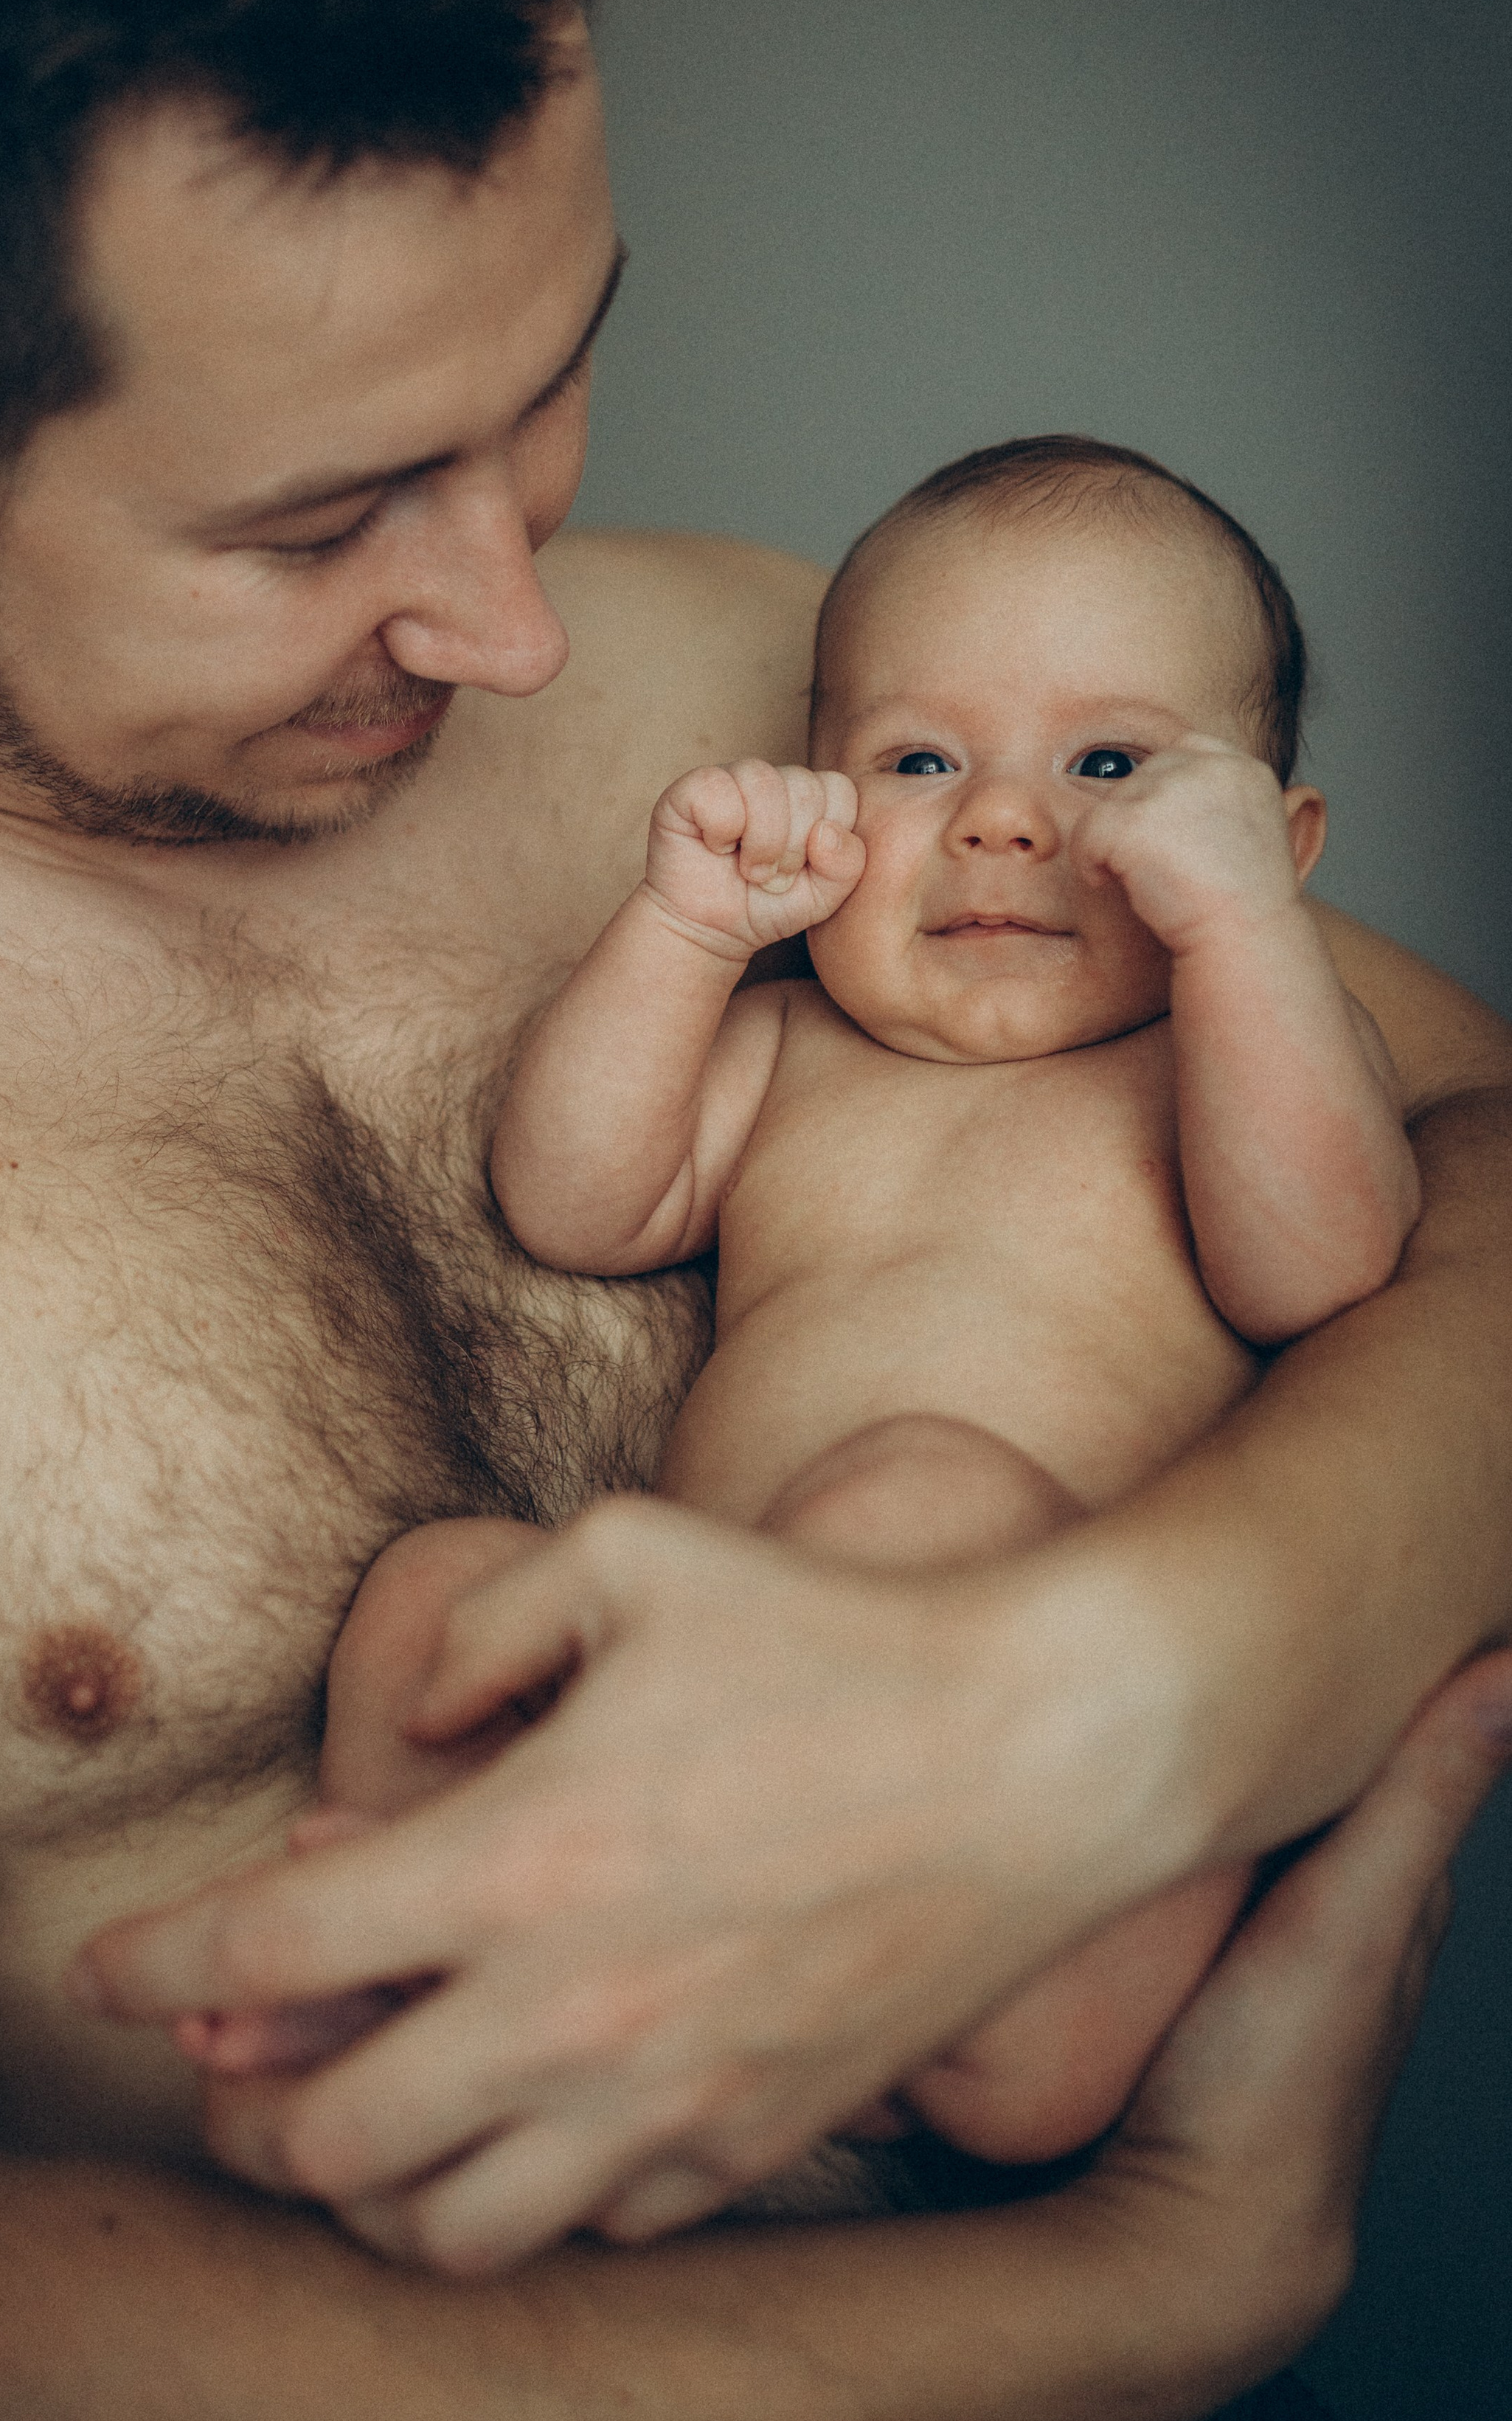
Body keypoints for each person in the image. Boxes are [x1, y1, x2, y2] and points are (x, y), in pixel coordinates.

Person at [0, 0, 1511, 2421]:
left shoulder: (799, 685)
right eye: (322, 522)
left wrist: (1133, 1696)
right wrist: (1137, 2296)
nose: (518, 628)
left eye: (550, 380)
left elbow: (1472, 1143)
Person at [184, 435, 1414, 2195]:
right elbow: (576, 1202)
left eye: (1111, 764)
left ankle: (987, 2028)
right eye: (918, 760)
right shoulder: (789, 1046)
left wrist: (1238, 945)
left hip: (1033, 1809)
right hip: (699, 1700)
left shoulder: (1235, 1058)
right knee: (436, 1595)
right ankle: (422, 1944)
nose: (1001, 818)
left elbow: (1326, 1268)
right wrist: (685, 935)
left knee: (923, 1489)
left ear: (1273, 845)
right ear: (821, 800)